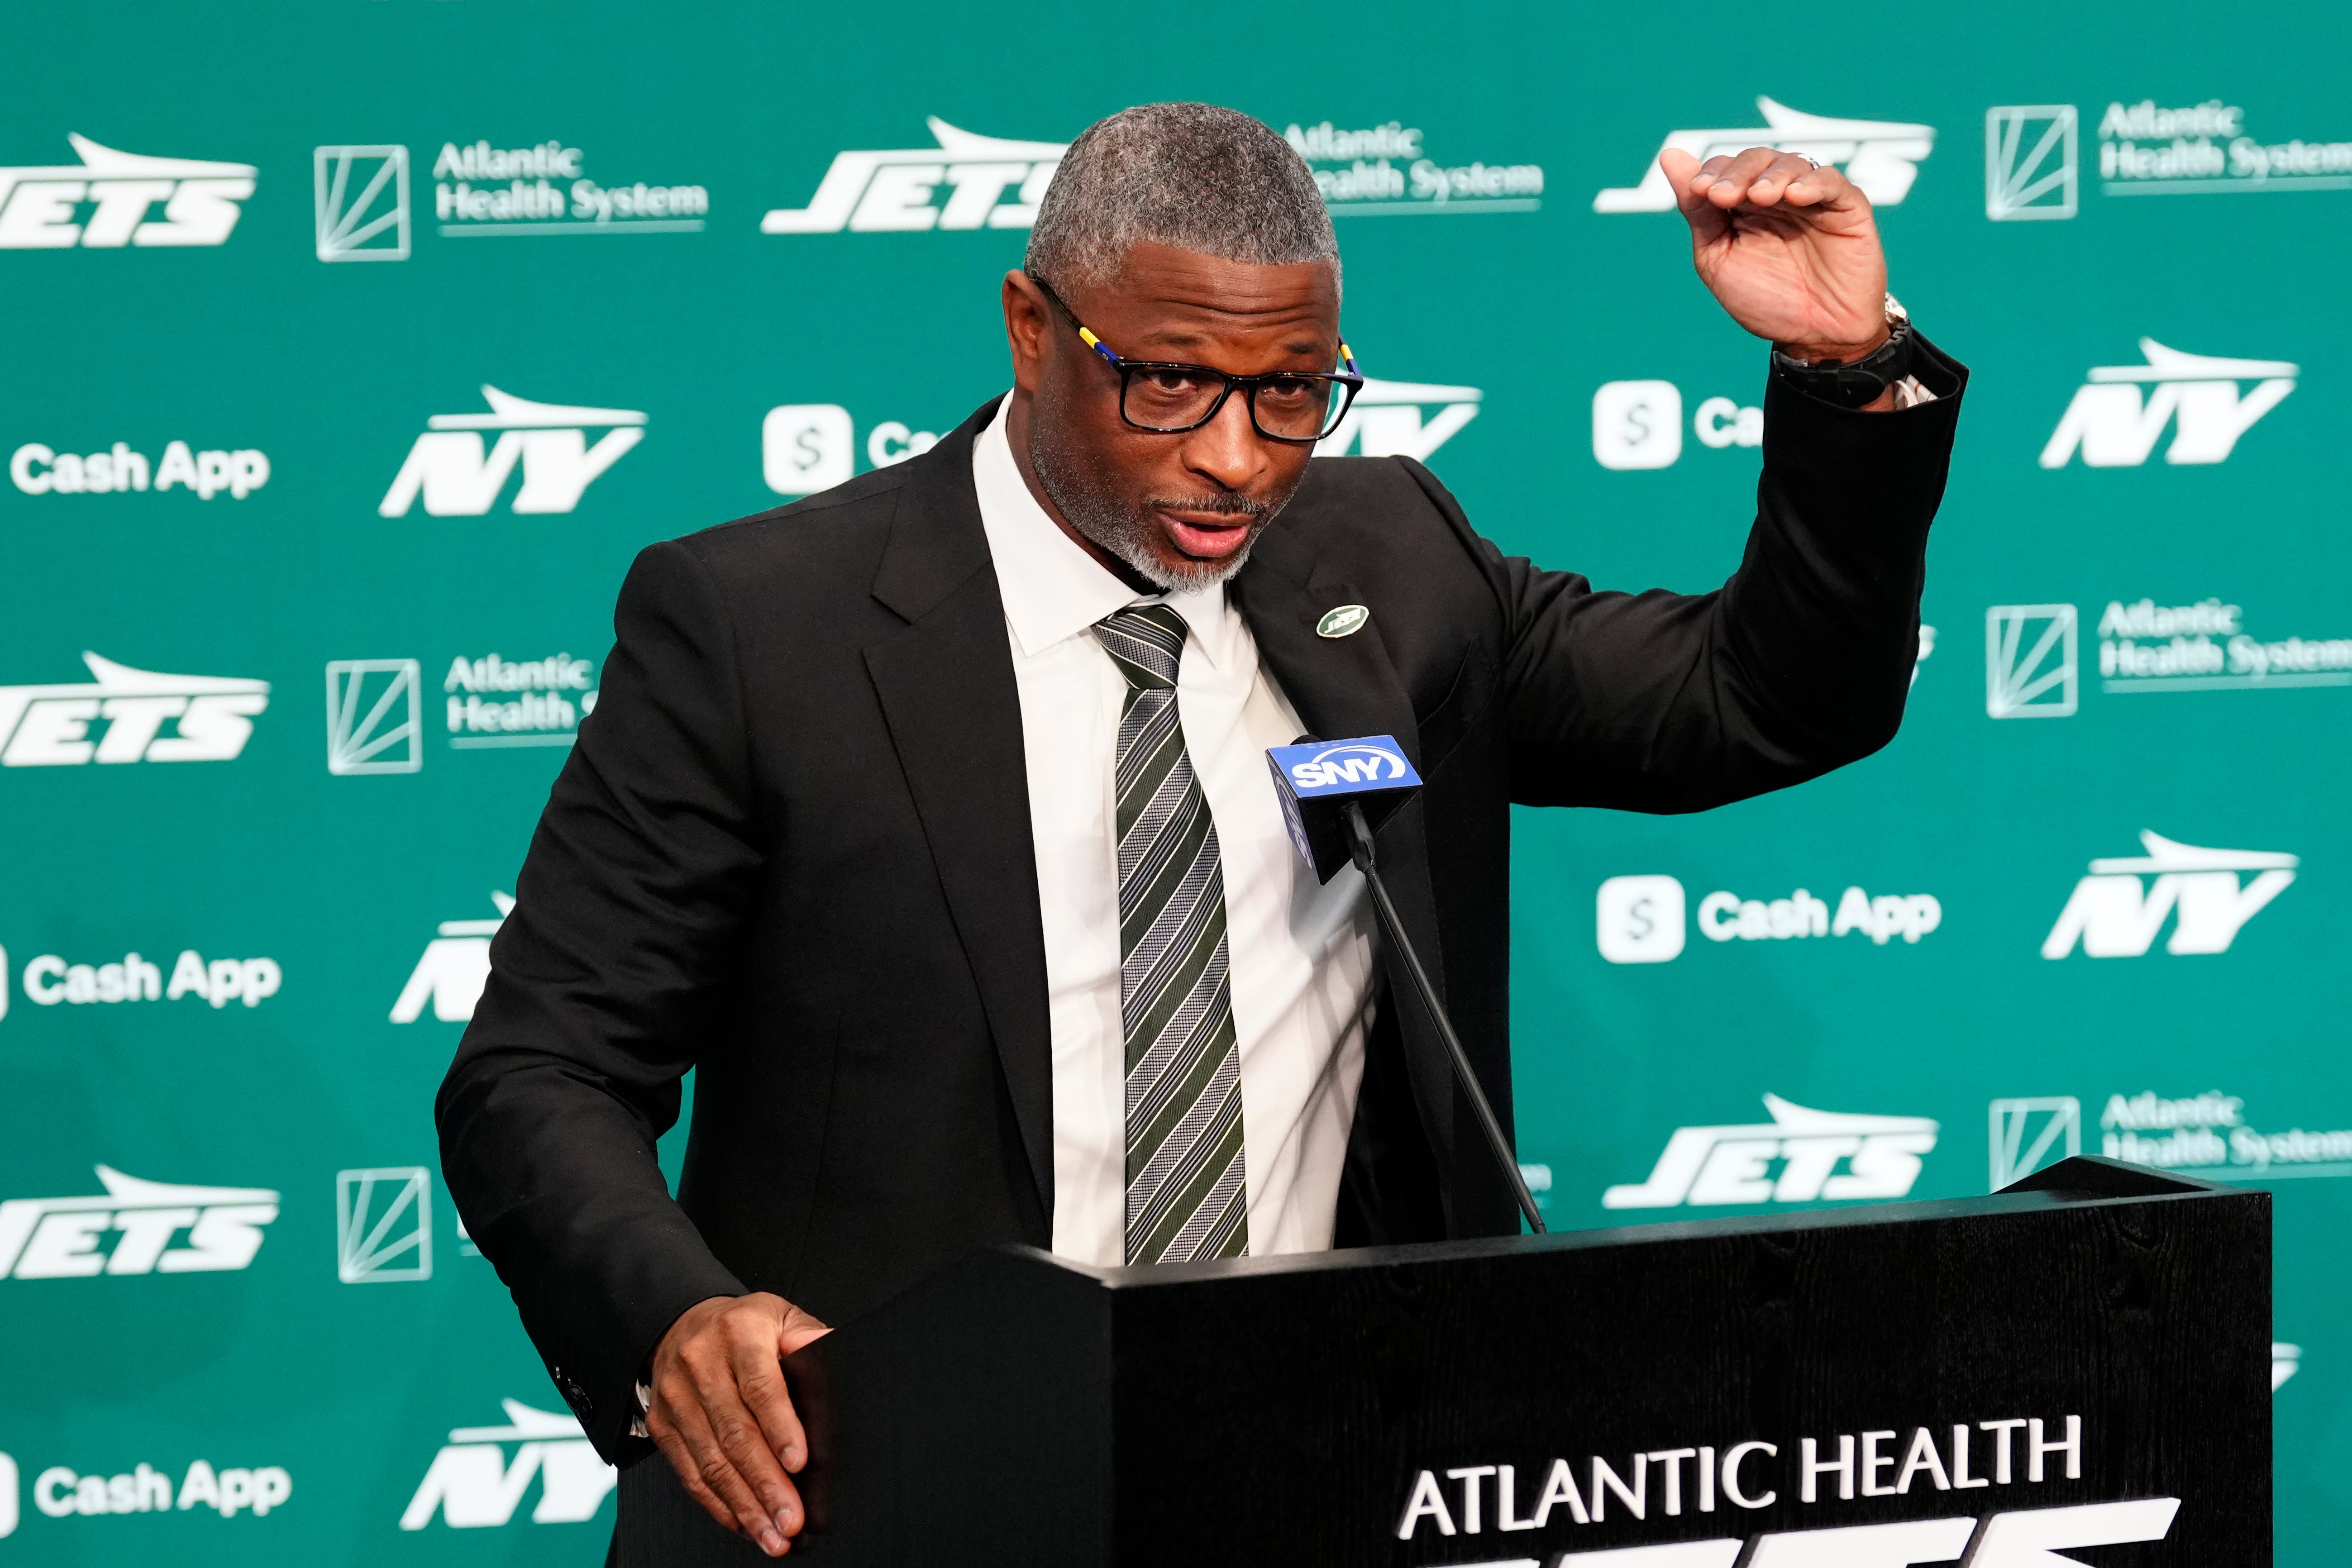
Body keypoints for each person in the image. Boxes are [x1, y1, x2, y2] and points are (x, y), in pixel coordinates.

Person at [437, 102, 1965, 1563]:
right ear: (1035, 330)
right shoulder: (764, 628)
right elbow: (540, 1070)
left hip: (1324, 1471)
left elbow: (1765, 697)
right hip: (898, 1489)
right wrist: (678, 1318)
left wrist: (1848, 368)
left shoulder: (1395, 564)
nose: (1237, 458)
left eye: (1291, 391)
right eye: (1169, 383)